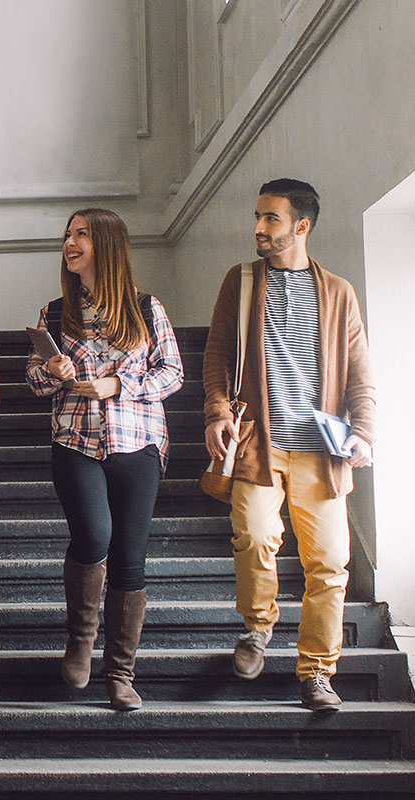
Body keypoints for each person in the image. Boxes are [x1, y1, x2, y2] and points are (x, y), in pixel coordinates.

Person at [203, 179, 375, 711]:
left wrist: (363, 433)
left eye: (271, 219)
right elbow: (215, 356)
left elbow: (360, 376)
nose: (258, 227)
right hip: (260, 443)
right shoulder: (242, 280)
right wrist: (216, 412)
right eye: (257, 216)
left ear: (301, 226)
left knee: (330, 564)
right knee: (255, 537)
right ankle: (258, 627)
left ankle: (317, 672)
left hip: (321, 451)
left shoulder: (338, 292)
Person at [26, 208, 183, 710]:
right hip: (75, 440)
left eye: (81, 235)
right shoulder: (53, 312)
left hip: (137, 441)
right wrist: (52, 369)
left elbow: (172, 373)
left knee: (130, 556)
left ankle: (120, 673)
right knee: (94, 534)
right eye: (68, 235)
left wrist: (118, 384)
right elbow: (33, 381)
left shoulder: (145, 308)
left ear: (107, 244)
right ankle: (80, 638)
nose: (69, 243)